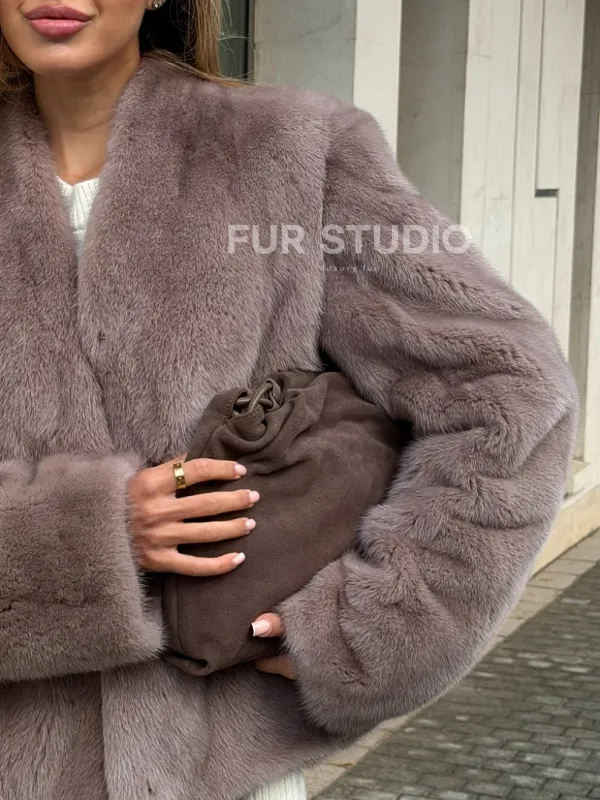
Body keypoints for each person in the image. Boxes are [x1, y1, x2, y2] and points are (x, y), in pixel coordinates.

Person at [0, 1, 578, 799]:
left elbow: (509, 391)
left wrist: (379, 629)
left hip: (225, 771)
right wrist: (82, 541)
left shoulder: (291, 153)